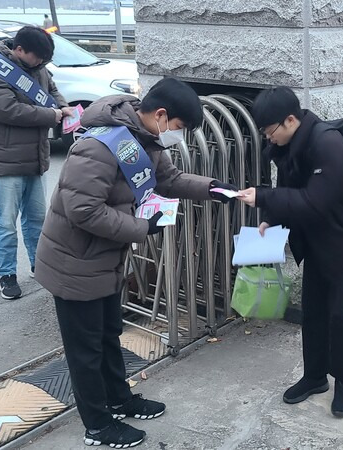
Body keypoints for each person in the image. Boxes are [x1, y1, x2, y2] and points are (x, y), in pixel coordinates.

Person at [34, 78, 237, 448]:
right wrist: (142, 228)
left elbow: (169, 180)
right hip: (74, 263)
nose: (175, 136)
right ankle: (97, 424)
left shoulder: (145, 139)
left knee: (109, 336)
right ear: (160, 115)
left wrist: (212, 188)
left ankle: (119, 398)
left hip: (106, 260)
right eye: (176, 128)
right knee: (85, 349)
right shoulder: (98, 147)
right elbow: (83, 210)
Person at [238, 86, 343, 418]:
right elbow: (288, 189)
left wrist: (262, 198)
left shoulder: (327, 144)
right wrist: (269, 219)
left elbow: (316, 201)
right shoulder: (289, 144)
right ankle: (315, 377)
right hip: (319, 241)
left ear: (290, 120)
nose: (268, 137)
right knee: (314, 312)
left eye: (269, 130)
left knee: (338, 312)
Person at [0, 26, 71, 300]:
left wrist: (62, 107)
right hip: (5, 160)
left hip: (35, 157)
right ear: (19, 50)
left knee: (38, 219)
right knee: (6, 222)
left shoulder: (37, 66)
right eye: (37, 58)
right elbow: (7, 110)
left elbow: (52, 89)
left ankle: (38, 265)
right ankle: (6, 275)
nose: (40, 64)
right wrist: (50, 116)